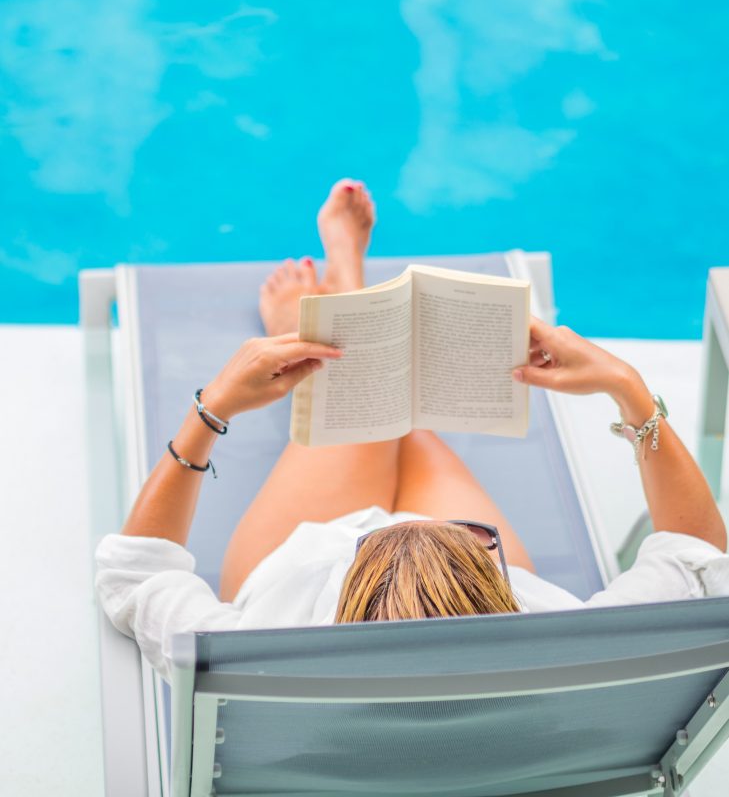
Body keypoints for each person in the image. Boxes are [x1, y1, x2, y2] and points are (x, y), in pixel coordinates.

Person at [96, 179, 729, 682]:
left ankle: (341, 310)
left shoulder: (258, 652)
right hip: (431, 603)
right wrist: (626, 386)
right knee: (392, 417)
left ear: (345, 585)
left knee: (377, 411)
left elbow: (134, 577)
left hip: (291, 582)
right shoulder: (564, 648)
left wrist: (212, 411)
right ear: (498, 594)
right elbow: (703, 559)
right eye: (473, 545)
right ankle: (350, 325)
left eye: (360, 546)